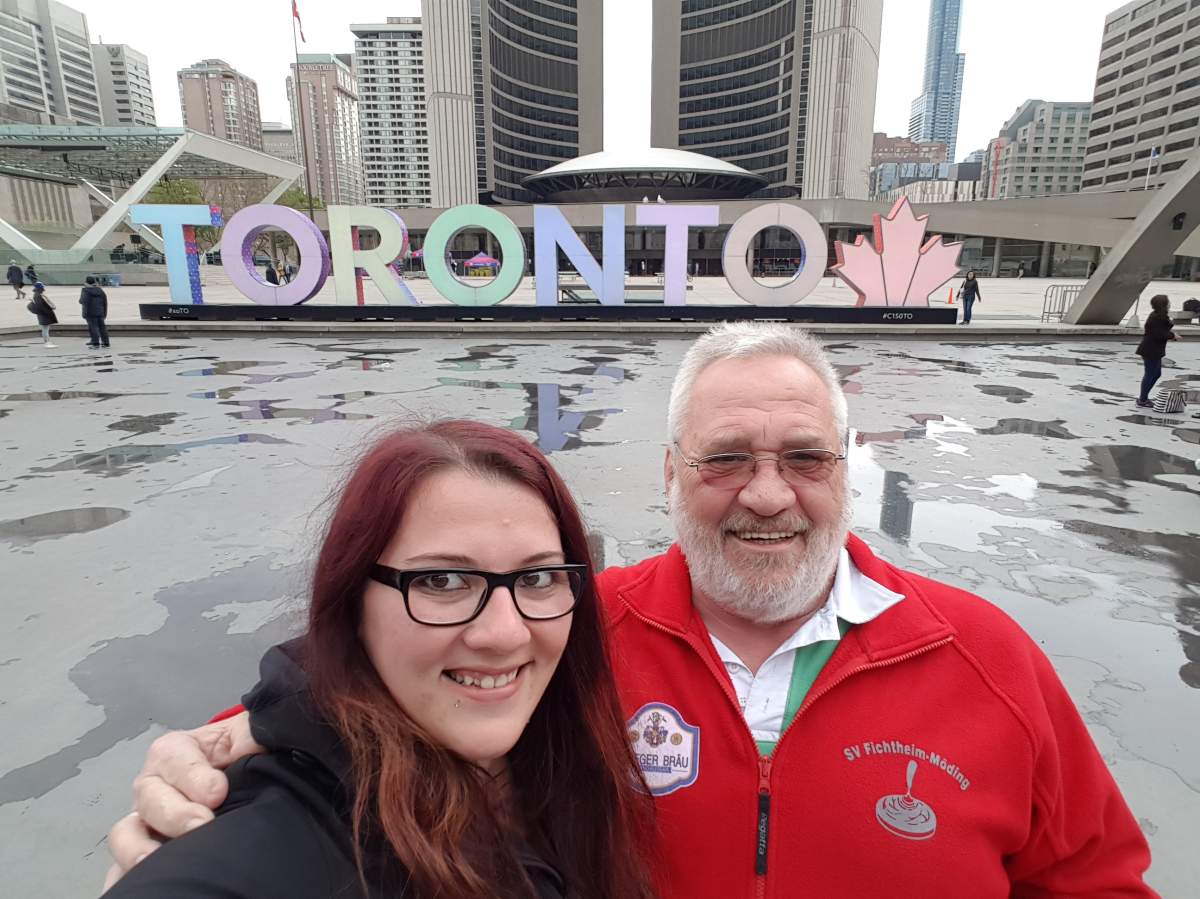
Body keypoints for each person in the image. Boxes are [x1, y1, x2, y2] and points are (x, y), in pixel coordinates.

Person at [107, 324, 1157, 897]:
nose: (766, 493)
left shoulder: (985, 656)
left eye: (804, 457)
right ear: (669, 471)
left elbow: (1097, 881)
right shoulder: (570, 631)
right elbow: (372, 692)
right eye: (725, 458)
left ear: (847, 468)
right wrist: (215, 757)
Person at [103, 421, 655, 899]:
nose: (505, 633)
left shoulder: (563, 750)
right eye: (442, 581)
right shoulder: (279, 840)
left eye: (537, 577)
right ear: (352, 604)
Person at [1135, 294, 1180, 408]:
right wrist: (1172, 335)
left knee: (1156, 374)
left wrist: (1171, 335)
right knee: (1150, 374)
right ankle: (1142, 399)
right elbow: (1159, 334)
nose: (1170, 304)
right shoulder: (1157, 317)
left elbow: (1160, 331)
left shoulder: (1159, 315)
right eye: (1168, 302)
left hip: (1154, 349)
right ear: (1163, 304)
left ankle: (1144, 397)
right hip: (1150, 350)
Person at [80, 275, 110, 348]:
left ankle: (95, 343)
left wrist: (84, 313)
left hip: (90, 312)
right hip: (100, 312)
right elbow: (105, 302)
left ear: (86, 282)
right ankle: (106, 343)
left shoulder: (86, 290)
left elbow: (83, 301)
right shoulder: (100, 290)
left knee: (93, 327)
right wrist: (104, 312)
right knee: (102, 328)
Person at [27, 280, 57, 348]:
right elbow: (42, 306)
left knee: (45, 329)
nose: (43, 289)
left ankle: (47, 342)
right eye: (42, 287)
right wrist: (50, 309)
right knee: (45, 329)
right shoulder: (38, 296)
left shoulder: (37, 295)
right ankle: (47, 343)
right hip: (44, 315)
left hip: (43, 315)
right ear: (40, 288)